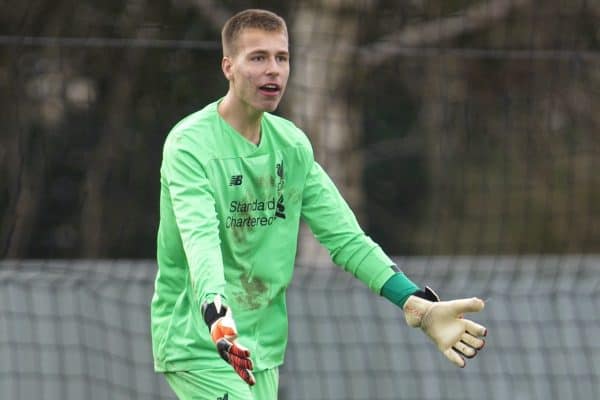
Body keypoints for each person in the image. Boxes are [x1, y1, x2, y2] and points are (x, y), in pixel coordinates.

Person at [151, 8, 487, 400]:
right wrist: (217, 315)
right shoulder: (189, 145)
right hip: (201, 342)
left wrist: (414, 301)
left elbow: (346, 239)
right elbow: (200, 238)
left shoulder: (292, 146)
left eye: (282, 58)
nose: (273, 70)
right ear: (228, 66)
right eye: (258, 58)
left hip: (262, 347)